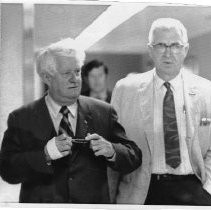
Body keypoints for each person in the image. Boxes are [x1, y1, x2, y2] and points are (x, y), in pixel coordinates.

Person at [0, 38, 142, 203]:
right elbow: (8, 171)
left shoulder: (103, 111)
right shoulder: (22, 118)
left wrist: (112, 150)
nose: (75, 79)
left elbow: (134, 157)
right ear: (47, 77)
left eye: (77, 71)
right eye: (67, 73)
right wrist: (45, 154)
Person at [110, 18, 211, 205]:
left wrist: (208, 190)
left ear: (185, 49)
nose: (168, 53)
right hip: (142, 191)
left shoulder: (207, 90)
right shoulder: (125, 89)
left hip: (194, 190)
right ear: (150, 49)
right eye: (161, 45)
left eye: (175, 45)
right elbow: (115, 145)